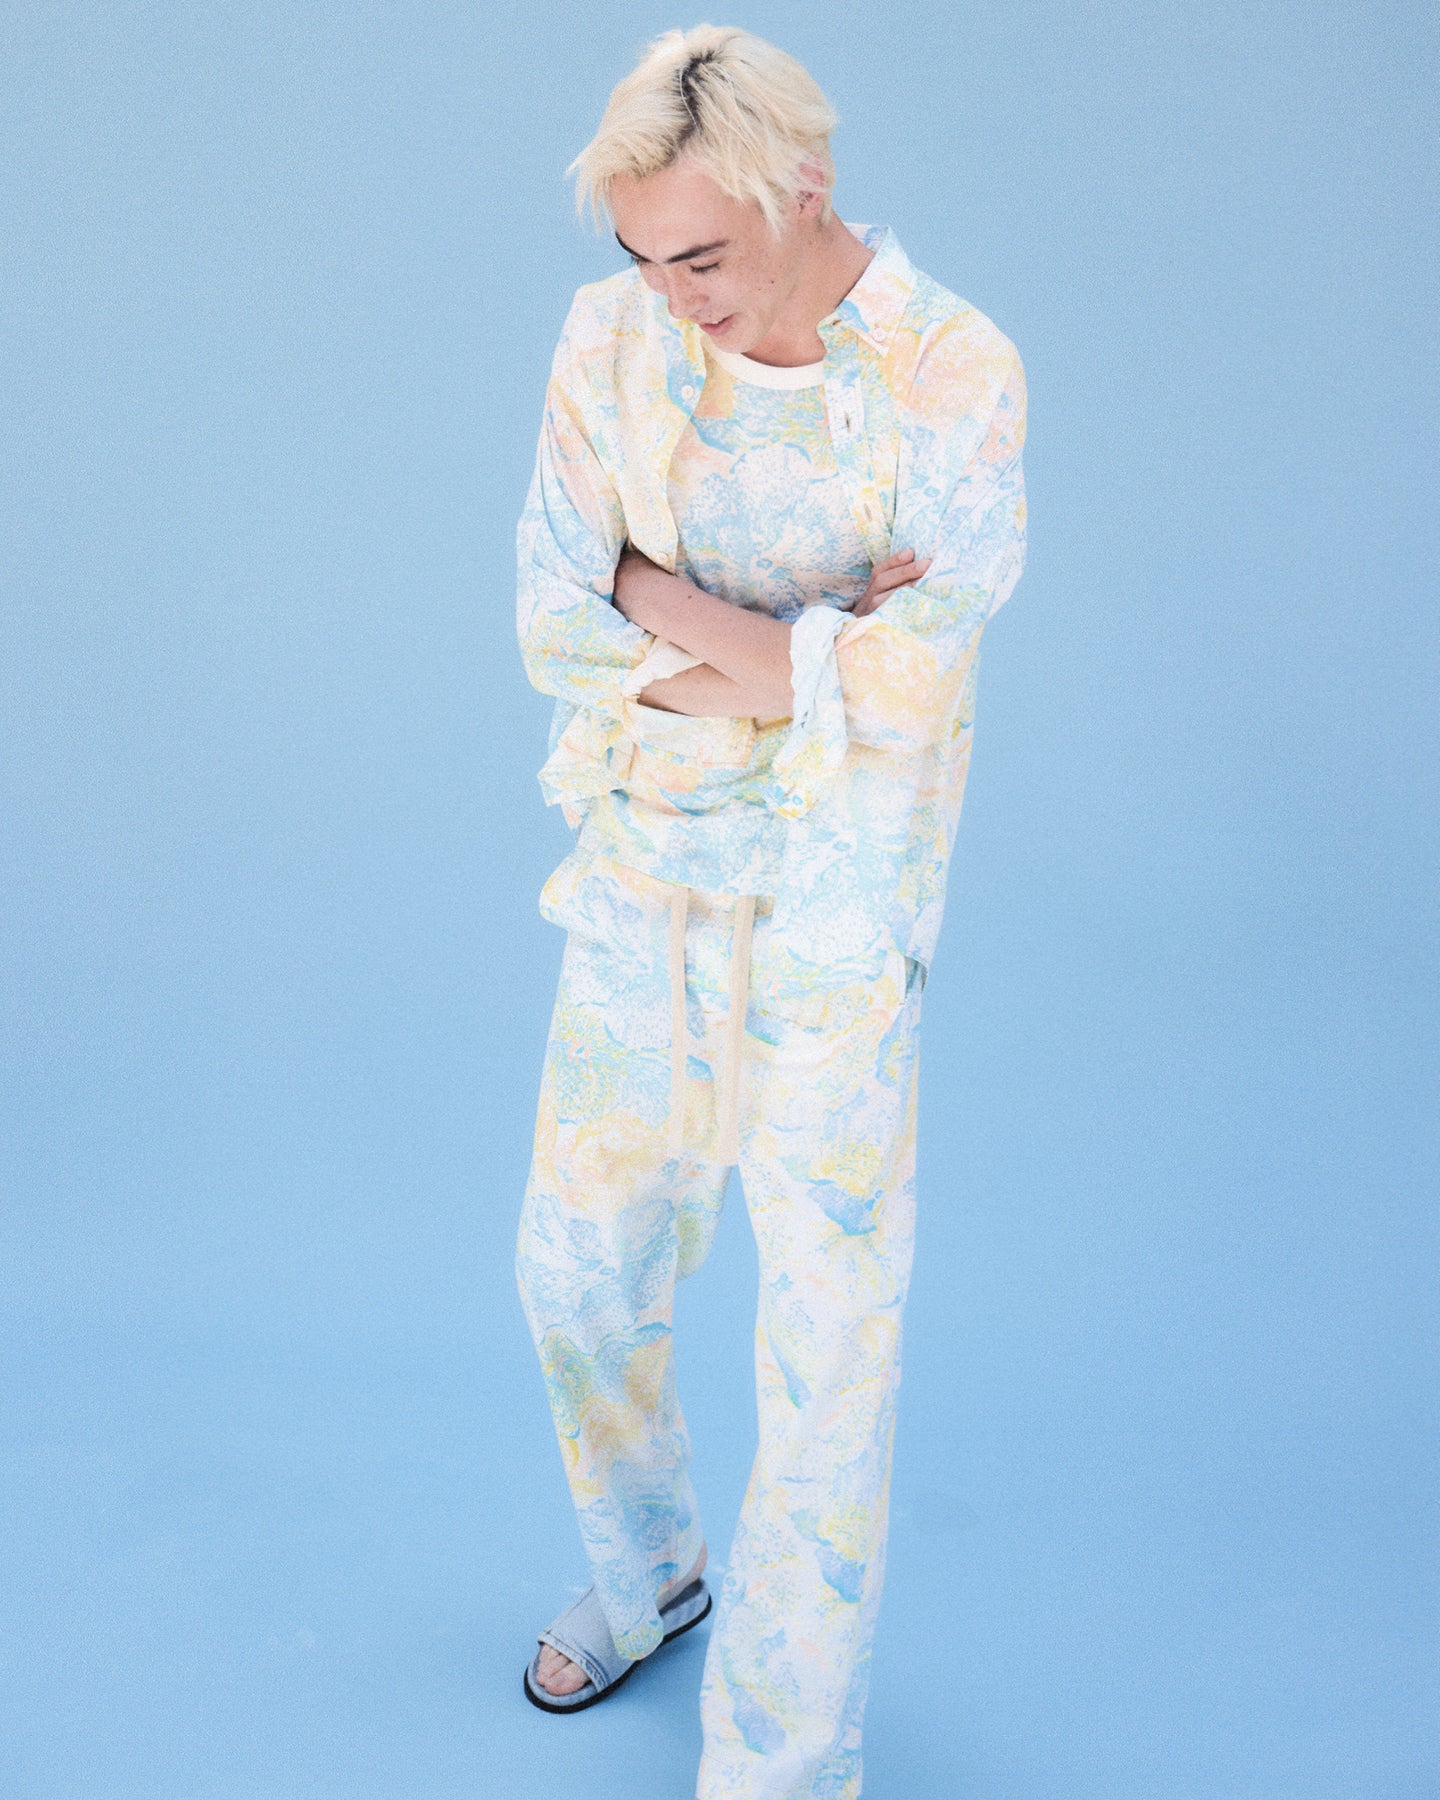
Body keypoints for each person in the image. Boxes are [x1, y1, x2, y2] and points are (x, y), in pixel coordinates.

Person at [512, 23, 1026, 1798]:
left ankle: (782, 1764)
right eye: (643, 256)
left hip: (839, 906)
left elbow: (916, 687)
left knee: (826, 1342)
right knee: (577, 1273)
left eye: (704, 257)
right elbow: (554, 623)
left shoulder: (953, 373)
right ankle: (649, 1571)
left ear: (802, 184)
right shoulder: (609, 340)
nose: (673, 296)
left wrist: (664, 596)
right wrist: (815, 649)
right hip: (643, 877)